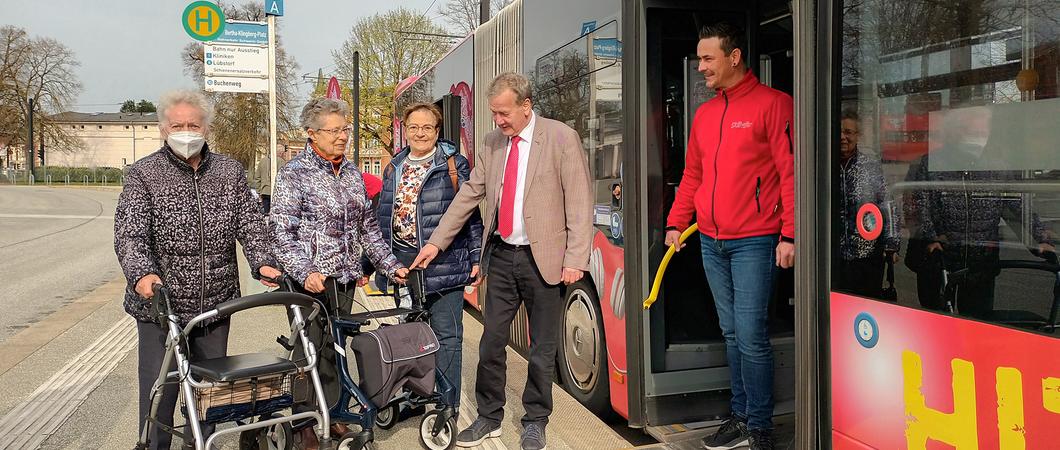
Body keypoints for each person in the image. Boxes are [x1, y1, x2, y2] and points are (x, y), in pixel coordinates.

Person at [412, 72, 593, 450]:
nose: (498, 121)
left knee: (542, 350)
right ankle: (489, 416)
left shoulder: (560, 138)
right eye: (494, 113)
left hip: (545, 261)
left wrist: (576, 258)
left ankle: (536, 420)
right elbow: (469, 195)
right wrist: (436, 243)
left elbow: (579, 202)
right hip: (504, 256)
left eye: (504, 113)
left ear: (526, 107)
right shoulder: (493, 143)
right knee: (491, 343)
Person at [114, 89, 282, 450]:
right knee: (161, 393)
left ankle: (199, 445)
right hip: (162, 308)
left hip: (215, 306)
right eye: (178, 125)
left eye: (193, 124)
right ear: (163, 129)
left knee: (207, 396)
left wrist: (263, 261)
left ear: (206, 129)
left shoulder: (229, 171)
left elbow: (251, 226)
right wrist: (143, 274)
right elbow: (130, 234)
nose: (186, 131)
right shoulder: (144, 174)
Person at [662, 23, 794, 450]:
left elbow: (790, 174)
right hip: (712, 242)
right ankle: (740, 417)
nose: (700, 67)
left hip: (756, 239)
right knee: (732, 333)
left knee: (751, 335)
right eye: (698, 59)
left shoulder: (774, 105)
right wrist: (675, 223)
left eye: (707, 59)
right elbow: (693, 175)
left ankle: (760, 429)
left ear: (733, 57)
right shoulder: (705, 113)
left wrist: (789, 235)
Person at [270, 98, 409, 449]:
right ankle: (303, 422)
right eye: (334, 131)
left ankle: (331, 415)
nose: (343, 136)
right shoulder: (293, 173)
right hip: (309, 282)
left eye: (345, 129)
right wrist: (305, 272)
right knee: (308, 350)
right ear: (312, 134)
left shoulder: (350, 172)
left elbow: (368, 230)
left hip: (343, 279)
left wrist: (392, 267)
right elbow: (281, 232)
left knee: (335, 349)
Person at [372, 102, 483, 412]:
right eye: (414, 127)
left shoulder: (454, 165)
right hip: (405, 264)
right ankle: (416, 397)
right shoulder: (394, 166)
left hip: (445, 262)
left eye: (427, 127)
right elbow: (383, 218)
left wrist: (476, 257)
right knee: (409, 335)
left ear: (437, 131)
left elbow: (471, 215)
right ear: (405, 130)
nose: (420, 133)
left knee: (447, 336)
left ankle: (447, 404)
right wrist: (379, 264)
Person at [907, 105, 1054, 318]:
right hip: (940, 261)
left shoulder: (997, 166)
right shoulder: (930, 163)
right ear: (954, 133)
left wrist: (1039, 236)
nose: (976, 139)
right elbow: (919, 205)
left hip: (981, 263)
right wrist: (930, 238)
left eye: (981, 133)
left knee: (978, 320)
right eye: (969, 132)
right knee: (936, 320)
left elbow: (1016, 204)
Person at [836, 109, 900, 298]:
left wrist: (892, 244)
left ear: (857, 135)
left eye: (848, 132)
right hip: (832, 256)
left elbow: (887, 203)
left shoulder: (870, 165)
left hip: (867, 255)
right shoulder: (823, 163)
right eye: (839, 131)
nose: (843, 137)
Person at [251, 144, 289, 214]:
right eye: (283, 153)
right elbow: (286, 178)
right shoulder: (282, 162)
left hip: (264, 191)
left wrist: (259, 191)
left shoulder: (262, 161)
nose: (284, 155)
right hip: (277, 193)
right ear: (281, 153)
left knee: (266, 213)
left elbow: (257, 178)